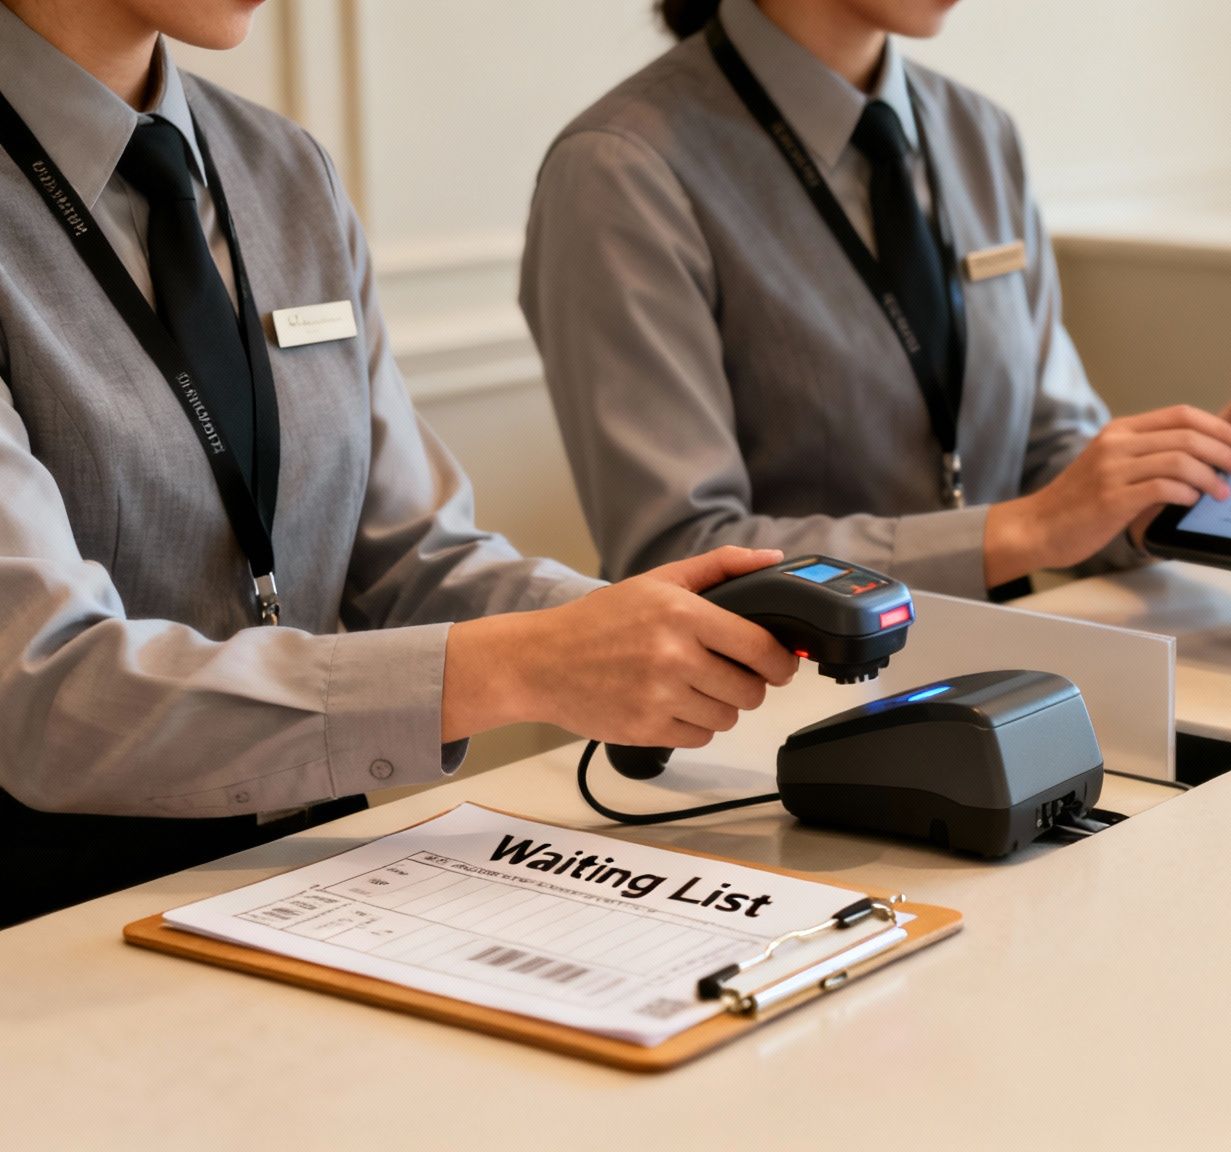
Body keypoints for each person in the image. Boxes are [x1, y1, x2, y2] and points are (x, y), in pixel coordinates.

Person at [0, 0, 800, 927]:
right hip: (53, 933)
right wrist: (528, 665)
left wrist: (626, 627)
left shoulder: (283, 168)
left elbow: (408, 555)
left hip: (320, 880)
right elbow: (46, 690)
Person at [522, 0, 1231, 598]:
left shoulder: (981, 134)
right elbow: (679, 552)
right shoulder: (621, 170)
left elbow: (1047, 452)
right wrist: (1020, 533)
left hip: (1008, 684)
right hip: (770, 722)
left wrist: (1154, 498)